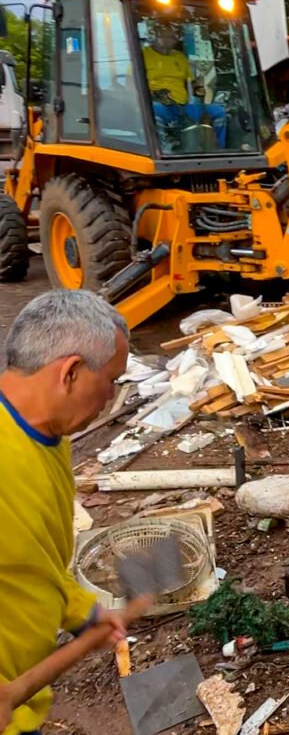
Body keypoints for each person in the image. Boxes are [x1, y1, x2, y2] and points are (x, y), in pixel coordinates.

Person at [0, 291, 130, 735]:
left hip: (21, 702)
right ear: (71, 372)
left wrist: (81, 611)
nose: (111, 398)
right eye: (111, 380)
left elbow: (36, 559)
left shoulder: (49, 438)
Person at [143, 23, 227, 149]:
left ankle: (218, 149)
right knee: (152, 114)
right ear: (154, 36)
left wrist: (201, 98)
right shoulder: (143, 55)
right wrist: (150, 96)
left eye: (171, 37)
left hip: (182, 107)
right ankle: (162, 151)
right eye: (164, 36)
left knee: (218, 112)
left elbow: (193, 83)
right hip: (157, 105)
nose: (168, 40)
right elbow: (131, 82)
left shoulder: (179, 57)